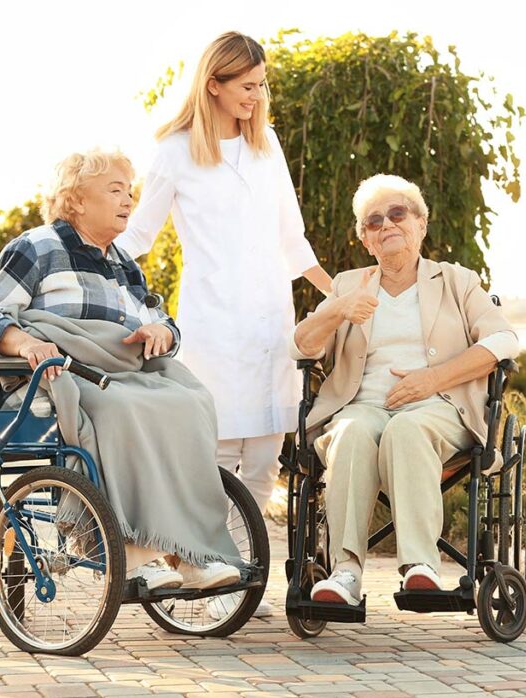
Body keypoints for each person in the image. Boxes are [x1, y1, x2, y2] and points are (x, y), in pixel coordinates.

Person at [118, 32, 332, 616]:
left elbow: (294, 241)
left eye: (262, 86)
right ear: (213, 84)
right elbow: (136, 238)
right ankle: (205, 571)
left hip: (271, 323)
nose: (258, 96)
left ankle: (241, 575)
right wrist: (93, 275)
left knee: (264, 457)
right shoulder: (175, 152)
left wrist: (343, 297)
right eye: (247, 86)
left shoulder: (269, 147)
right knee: (214, 456)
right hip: (211, 323)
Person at [0, 149, 243, 592]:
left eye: (129, 191)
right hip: (49, 379)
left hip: (118, 372)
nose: (128, 200)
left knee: (189, 403)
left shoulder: (122, 263)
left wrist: (161, 333)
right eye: (115, 190)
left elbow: (161, 318)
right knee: (120, 410)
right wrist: (26, 341)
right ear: (76, 200)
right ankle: (135, 553)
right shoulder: (36, 247)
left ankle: (187, 551)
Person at [291, 174, 520, 606]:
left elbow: (503, 342)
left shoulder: (456, 281)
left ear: (420, 224)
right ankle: (344, 573)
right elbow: (301, 345)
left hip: (439, 409)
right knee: (352, 431)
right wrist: (338, 310)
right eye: (373, 221)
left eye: (398, 213)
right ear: (365, 240)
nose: (387, 225)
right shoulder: (347, 285)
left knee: (407, 430)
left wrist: (433, 379)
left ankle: (420, 566)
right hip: (363, 408)